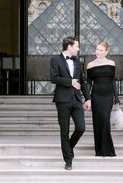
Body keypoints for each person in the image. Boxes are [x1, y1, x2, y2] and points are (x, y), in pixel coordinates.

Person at [50, 36, 91, 170]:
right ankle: (68, 160)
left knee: (81, 127)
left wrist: (88, 98)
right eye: (77, 46)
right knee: (64, 130)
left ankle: (69, 148)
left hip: (76, 99)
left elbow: (83, 82)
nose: (78, 49)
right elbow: (54, 77)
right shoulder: (55, 60)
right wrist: (70, 82)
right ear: (69, 46)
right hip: (62, 100)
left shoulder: (77, 62)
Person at [86, 41, 120, 157]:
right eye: (97, 49)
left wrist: (116, 97)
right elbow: (89, 83)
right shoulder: (90, 65)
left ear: (106, 51)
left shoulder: (111, 63)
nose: (98, 52)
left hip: (108, 95)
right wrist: (87, 98)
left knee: (105, 119)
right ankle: (99, 150)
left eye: (101, 50)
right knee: (97, 121)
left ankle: (107, 149)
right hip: (96, 95)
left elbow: (113, 81)